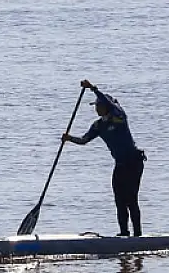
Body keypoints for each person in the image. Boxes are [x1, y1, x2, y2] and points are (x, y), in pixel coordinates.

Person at [62, 79, 147, 237]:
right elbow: (84, 140)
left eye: (99, 105)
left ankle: (138, 236)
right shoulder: (98, 126)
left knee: (131, 199)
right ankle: (124, 233)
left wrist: (93, 88)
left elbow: (112, 105)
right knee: (119, 200)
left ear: (106, 106)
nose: (96, 109)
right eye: (95, 106)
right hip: (120, 165)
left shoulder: (119, 117)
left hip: (134, 163)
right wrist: (69, 138)